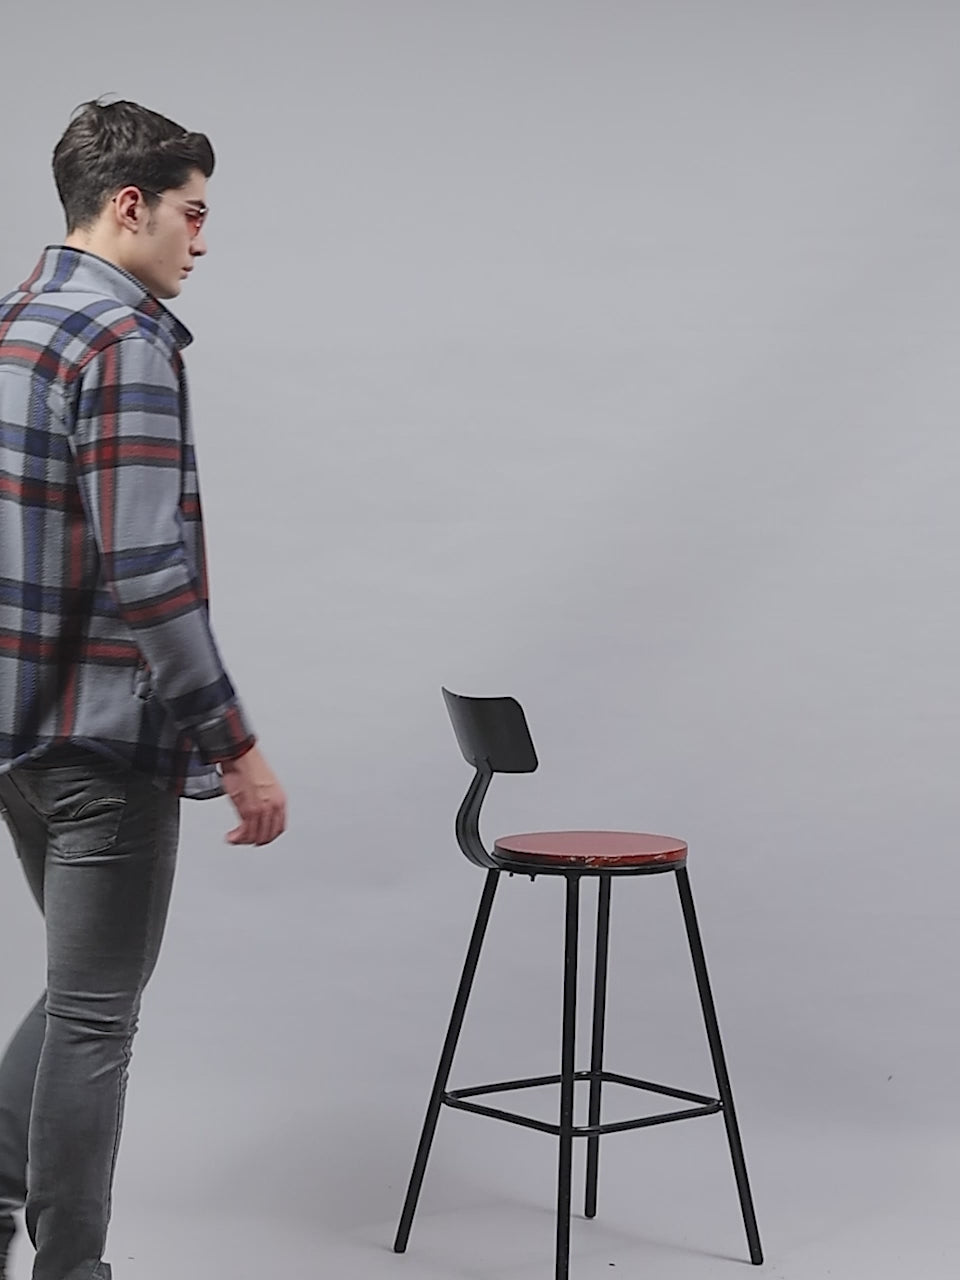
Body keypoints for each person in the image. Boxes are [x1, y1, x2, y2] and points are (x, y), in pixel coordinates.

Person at [0, 98, 287, 1280]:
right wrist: (237, 745)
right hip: (105, 741)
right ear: (131, 204)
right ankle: (72, 1270)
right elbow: (149, 568)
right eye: (193, 213)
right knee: (96, 1016)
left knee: (79, 996)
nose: (202, 240)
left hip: (17, 739)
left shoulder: (16, 321)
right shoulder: (122, 338)